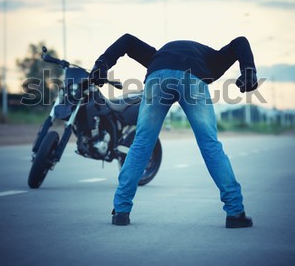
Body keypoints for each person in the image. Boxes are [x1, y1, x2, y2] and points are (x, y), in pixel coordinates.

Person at [90, 33, 258, 228]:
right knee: (210, 144)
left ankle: (121, 211)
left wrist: (102, 63)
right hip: (192, 78)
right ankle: (235, 212)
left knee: (142, 143)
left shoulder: (158, 55)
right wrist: (248, 70)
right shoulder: (214, 60)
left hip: (158, 74)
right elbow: (240, 42)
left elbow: (128, 41)